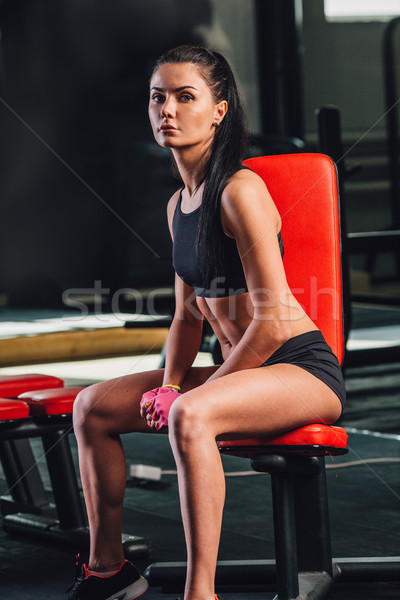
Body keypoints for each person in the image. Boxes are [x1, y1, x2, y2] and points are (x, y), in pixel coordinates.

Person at [67, 45, 346, 600]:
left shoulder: (241, 192)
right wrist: (170, 384)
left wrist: (193, 395)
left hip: (299, 368)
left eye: (185, 97)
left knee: (191, 415)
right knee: (91, 407)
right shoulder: (180, 205)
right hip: (243, 372)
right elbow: (186, 318)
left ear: (219, 110)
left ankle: (201, 594)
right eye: (158, 97)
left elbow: (269, 324)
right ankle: (109, 571)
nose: (167, 109)